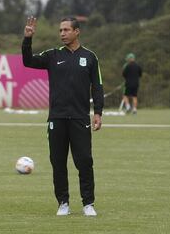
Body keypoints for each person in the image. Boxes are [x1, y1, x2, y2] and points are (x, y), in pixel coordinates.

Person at [22, 16, 104, 216]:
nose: (62, 34)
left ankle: (88, 204)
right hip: (56, 119)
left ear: (77, 32)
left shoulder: (90, 57)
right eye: (60, 30)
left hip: (80, 118)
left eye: (66, 30)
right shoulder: (52, 55)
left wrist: (98, 112)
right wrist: (27, 39)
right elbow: (28, 61)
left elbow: (98, 87)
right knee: (58, 162)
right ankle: (63, 203)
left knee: (84, 161)